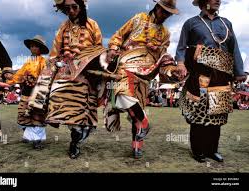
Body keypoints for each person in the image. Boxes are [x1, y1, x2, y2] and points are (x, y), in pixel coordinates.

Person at [29, 0, 105, 158]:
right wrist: (61, 59)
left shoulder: (93, 25)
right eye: (67, 8)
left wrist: (84, 56)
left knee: (82, 114)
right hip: (65, 73)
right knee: (64, 108)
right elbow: (54, 53)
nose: (70, 10)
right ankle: (73, 138)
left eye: (74, 7)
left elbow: (99, 49)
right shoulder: (63, 27)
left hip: (86, 75)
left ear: (81, 7)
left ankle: (76, 140)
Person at [105, 0, 179, 158]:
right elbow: (119, 35)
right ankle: (145, 123)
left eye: (169, 13)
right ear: (157, 7)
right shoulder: (139, 18)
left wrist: (169, 68)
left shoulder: (166, 33)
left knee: (137, 109)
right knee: (120, 93)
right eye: (164, 11)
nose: (165, 15)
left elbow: (162, 56)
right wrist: (113, 48)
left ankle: (136, 147)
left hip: (147, 73)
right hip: (127, 64)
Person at [176, 0, 247, 162]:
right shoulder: (191, 23)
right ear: (203, 2)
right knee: (199, 114)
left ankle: (212, 150)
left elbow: (234, 48)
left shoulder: (226, 23)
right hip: (200, 75)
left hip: (222, 76)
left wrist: (239, 71)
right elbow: (181, 48)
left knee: (218, 114)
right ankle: (198, 150)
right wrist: (180, 63)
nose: (218, 0)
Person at [7, 35, 49, 149]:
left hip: (38, 92)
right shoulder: (28, 61)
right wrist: (9, 80)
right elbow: (19, 75)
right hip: (26, 92)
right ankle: (28, 135)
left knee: (37, 116)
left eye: (36, 46)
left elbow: (45, 76)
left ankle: (37, 140)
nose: (33, 48)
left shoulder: (43, 61)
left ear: (40, 49)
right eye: (31, 46)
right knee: (23, 114)